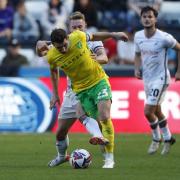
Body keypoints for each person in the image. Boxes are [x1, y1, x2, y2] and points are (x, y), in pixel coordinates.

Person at [36, 11, 124, 168]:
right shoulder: (53, 54)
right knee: (61, 131)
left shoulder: (80, 37)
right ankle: (62, 156)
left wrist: (114, 35)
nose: (63, 49)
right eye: (59, 47)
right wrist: (55, 94)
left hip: (98, 81)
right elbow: (45, 59)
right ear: (70, 28)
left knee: (103, 117)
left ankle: (108, 158)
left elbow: (99, 44)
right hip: (77, 89)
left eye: (64, 45)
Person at [134, 6, 180, 155]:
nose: (147, 19)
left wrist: (179, 71)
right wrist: (136, 68)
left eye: (150, 16)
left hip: (161, 78)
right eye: (144, 16)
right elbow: (137, 54)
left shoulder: (164, 37)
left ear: (155, 19)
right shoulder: (138, 36)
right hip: (147, 78)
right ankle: (168, 137)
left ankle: (156, 138)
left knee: (148, 111)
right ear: (141, 19)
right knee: (157, 111)